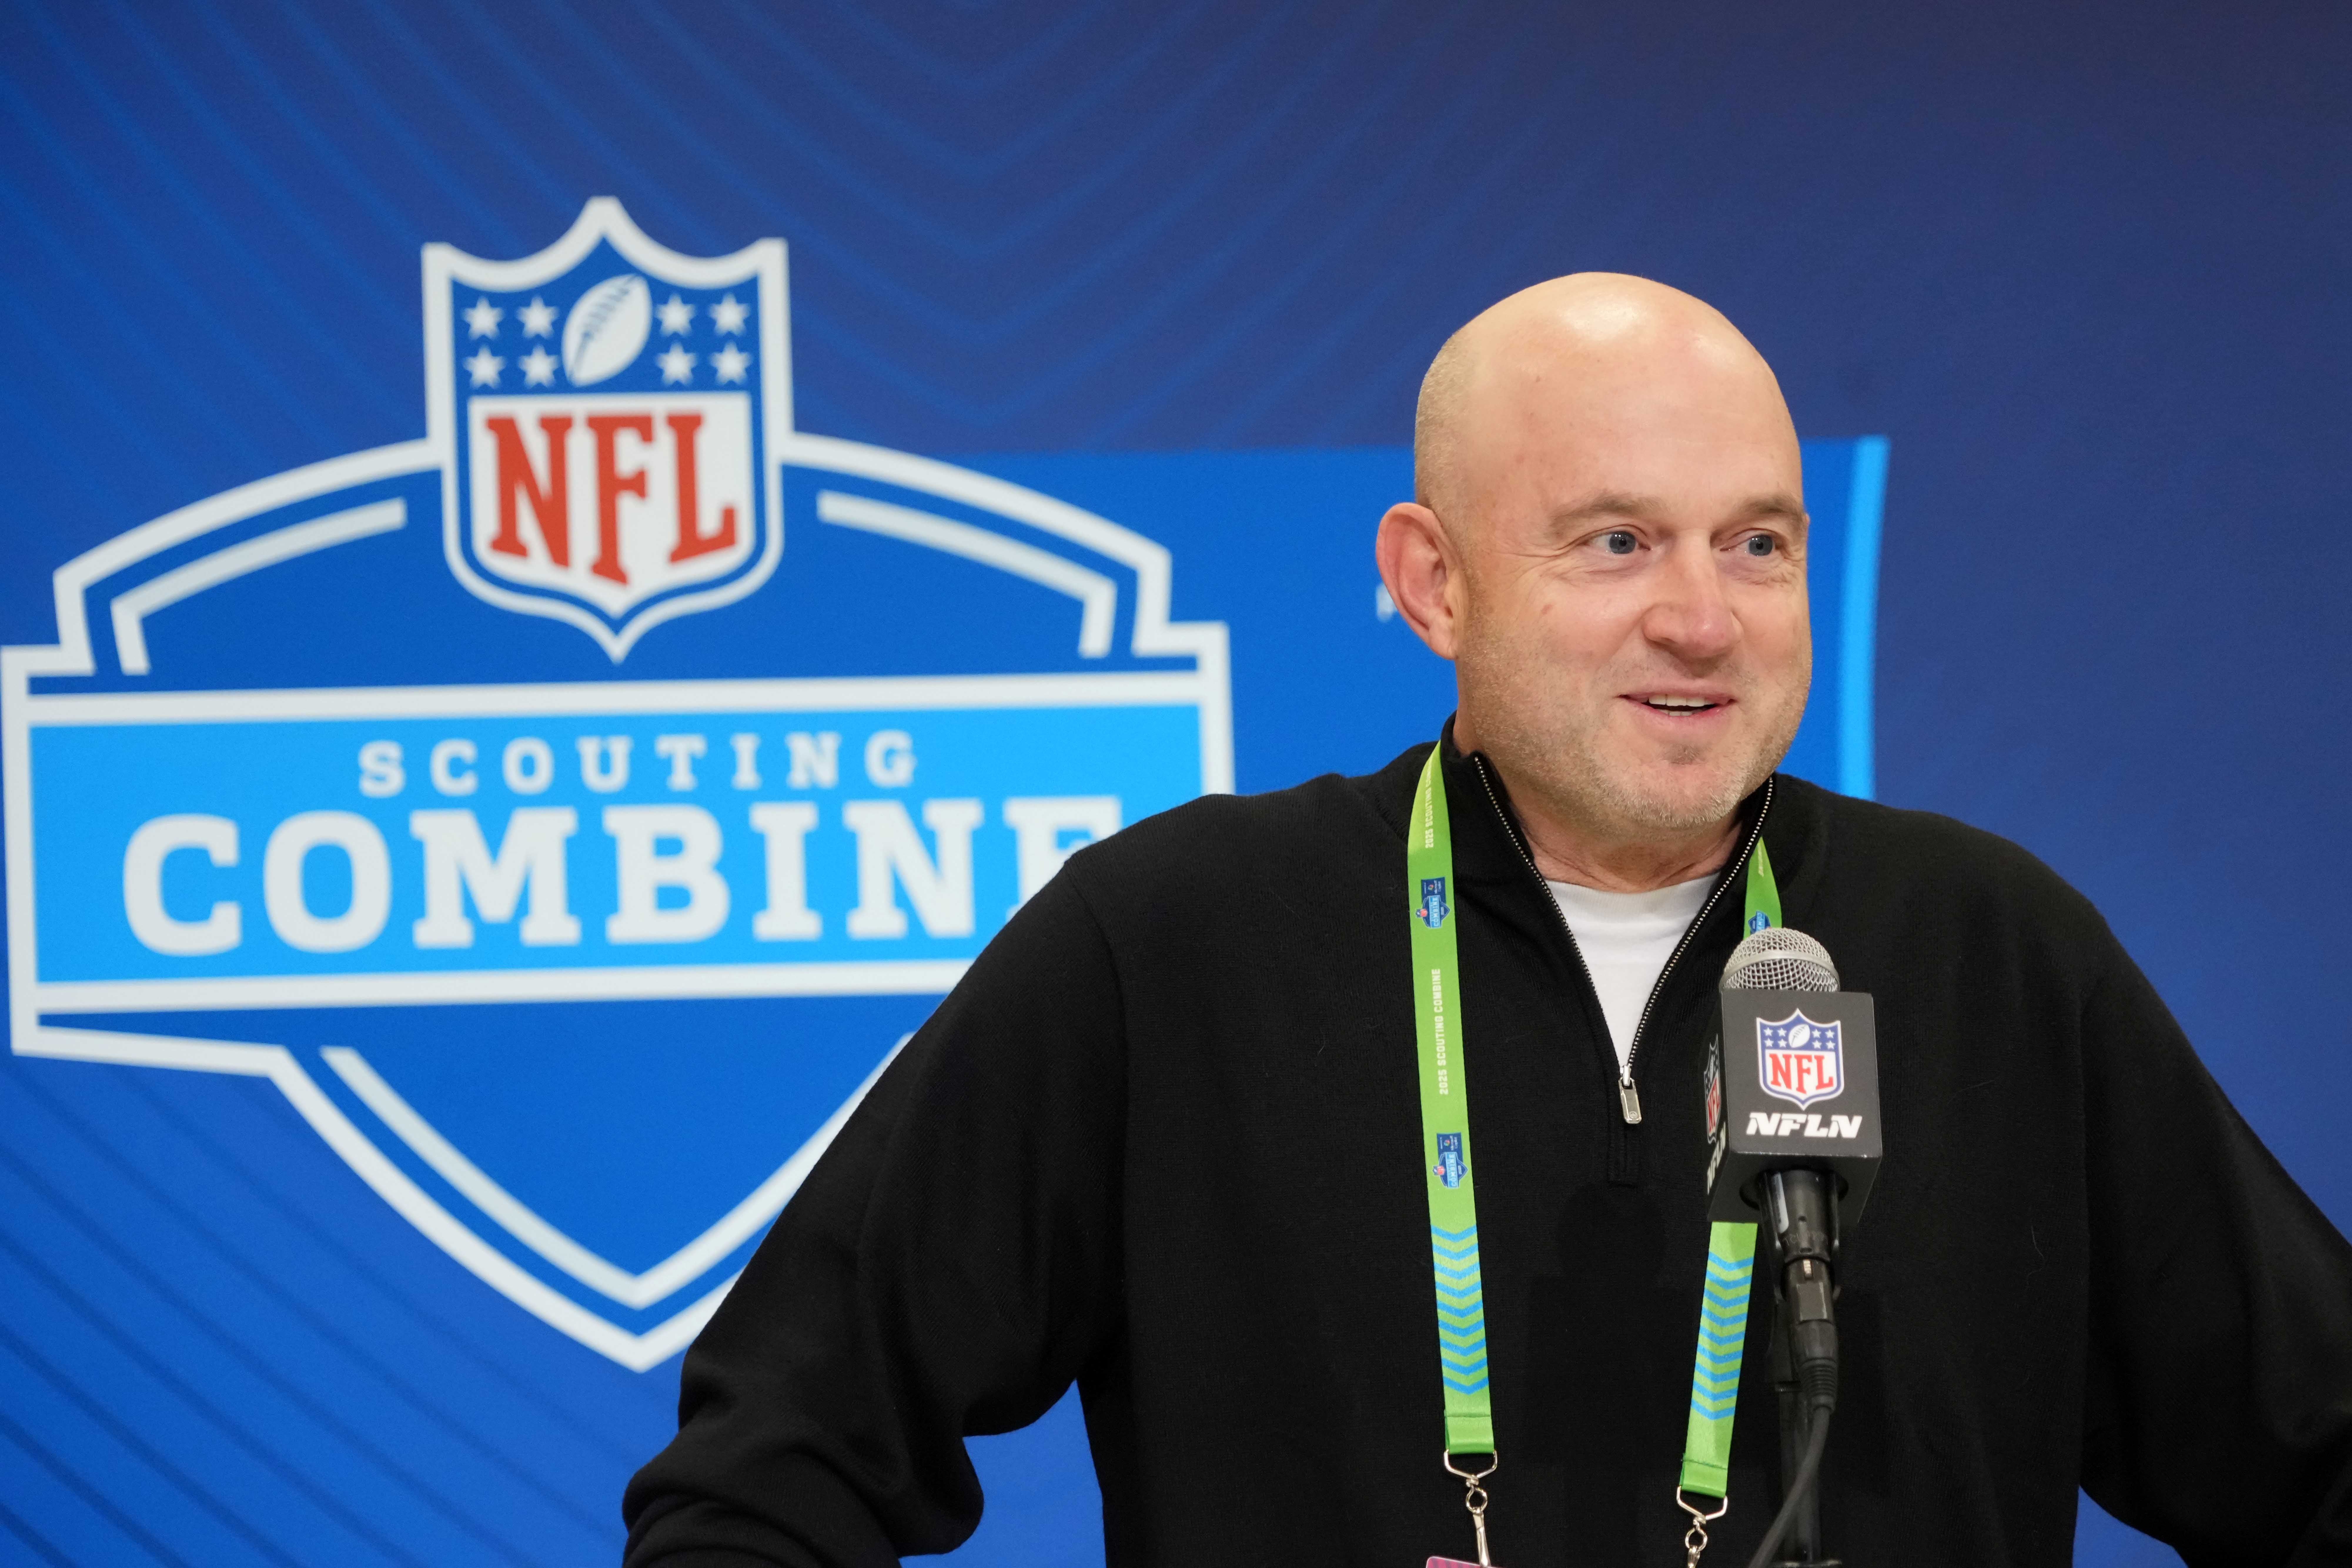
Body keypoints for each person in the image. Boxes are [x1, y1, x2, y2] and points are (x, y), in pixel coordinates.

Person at [621, 276, 2352, 1566]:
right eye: (1614, 542)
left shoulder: (1986, 949)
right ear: (1432, 581)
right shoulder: (1174, 947)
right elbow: (771, 1469)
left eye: (1756, 544)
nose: (1702, 617)